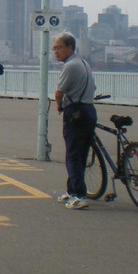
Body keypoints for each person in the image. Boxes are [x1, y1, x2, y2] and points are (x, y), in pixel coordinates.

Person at [52, 33, 97, 210]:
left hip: (76, 113)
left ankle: (79, 195)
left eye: (59, 48)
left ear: (70, 48)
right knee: (81, 154)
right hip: (89, 110)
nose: (56, 51)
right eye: (54, 48)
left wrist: (59, 107)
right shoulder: (84, 63)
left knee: (72, 156)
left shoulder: (70, 66)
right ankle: (72, 191)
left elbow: (58, 93)